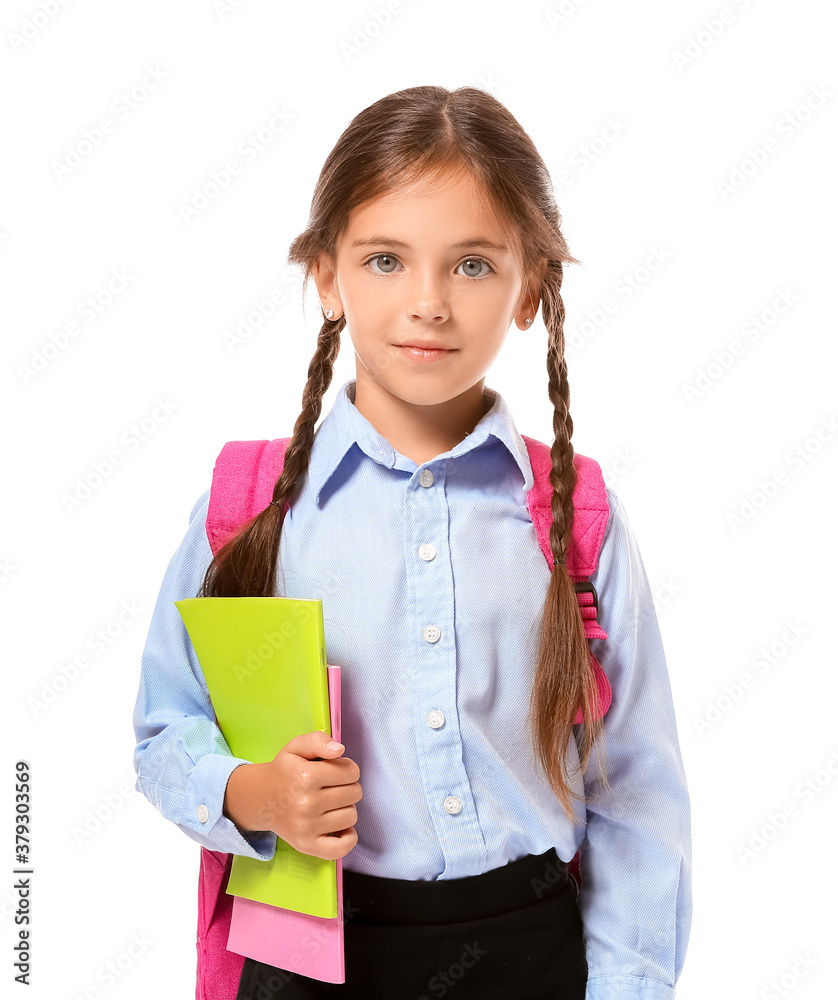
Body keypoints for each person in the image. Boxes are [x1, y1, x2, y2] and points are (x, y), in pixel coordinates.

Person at [132, 85, 692, 1000]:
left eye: (472, 265)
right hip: (312, 951)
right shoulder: (248, 508)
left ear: (531, 287)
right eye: (386, 259)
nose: (427, 302)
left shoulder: (574, 519)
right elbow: (163, 727)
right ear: (325, 274)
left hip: (530, 952)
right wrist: (254, 796)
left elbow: (635, 790)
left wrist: (629, 985)